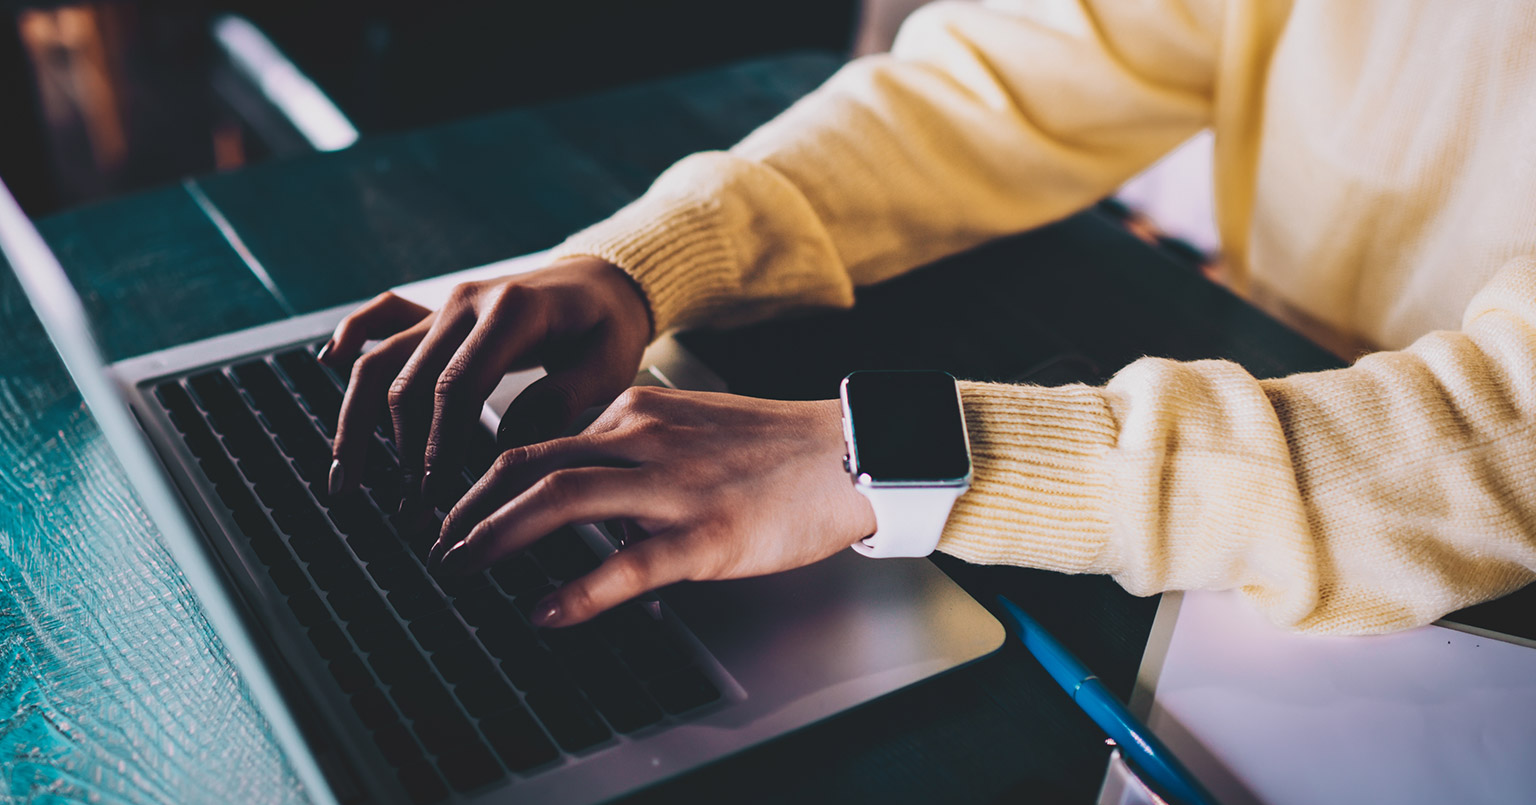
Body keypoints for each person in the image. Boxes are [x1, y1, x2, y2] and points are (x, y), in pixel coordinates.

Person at [318, 0, 1536, 635]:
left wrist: (896, 460)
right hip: (1258, 423)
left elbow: (1508, 439)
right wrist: (638, 264)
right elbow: (1004, 85)